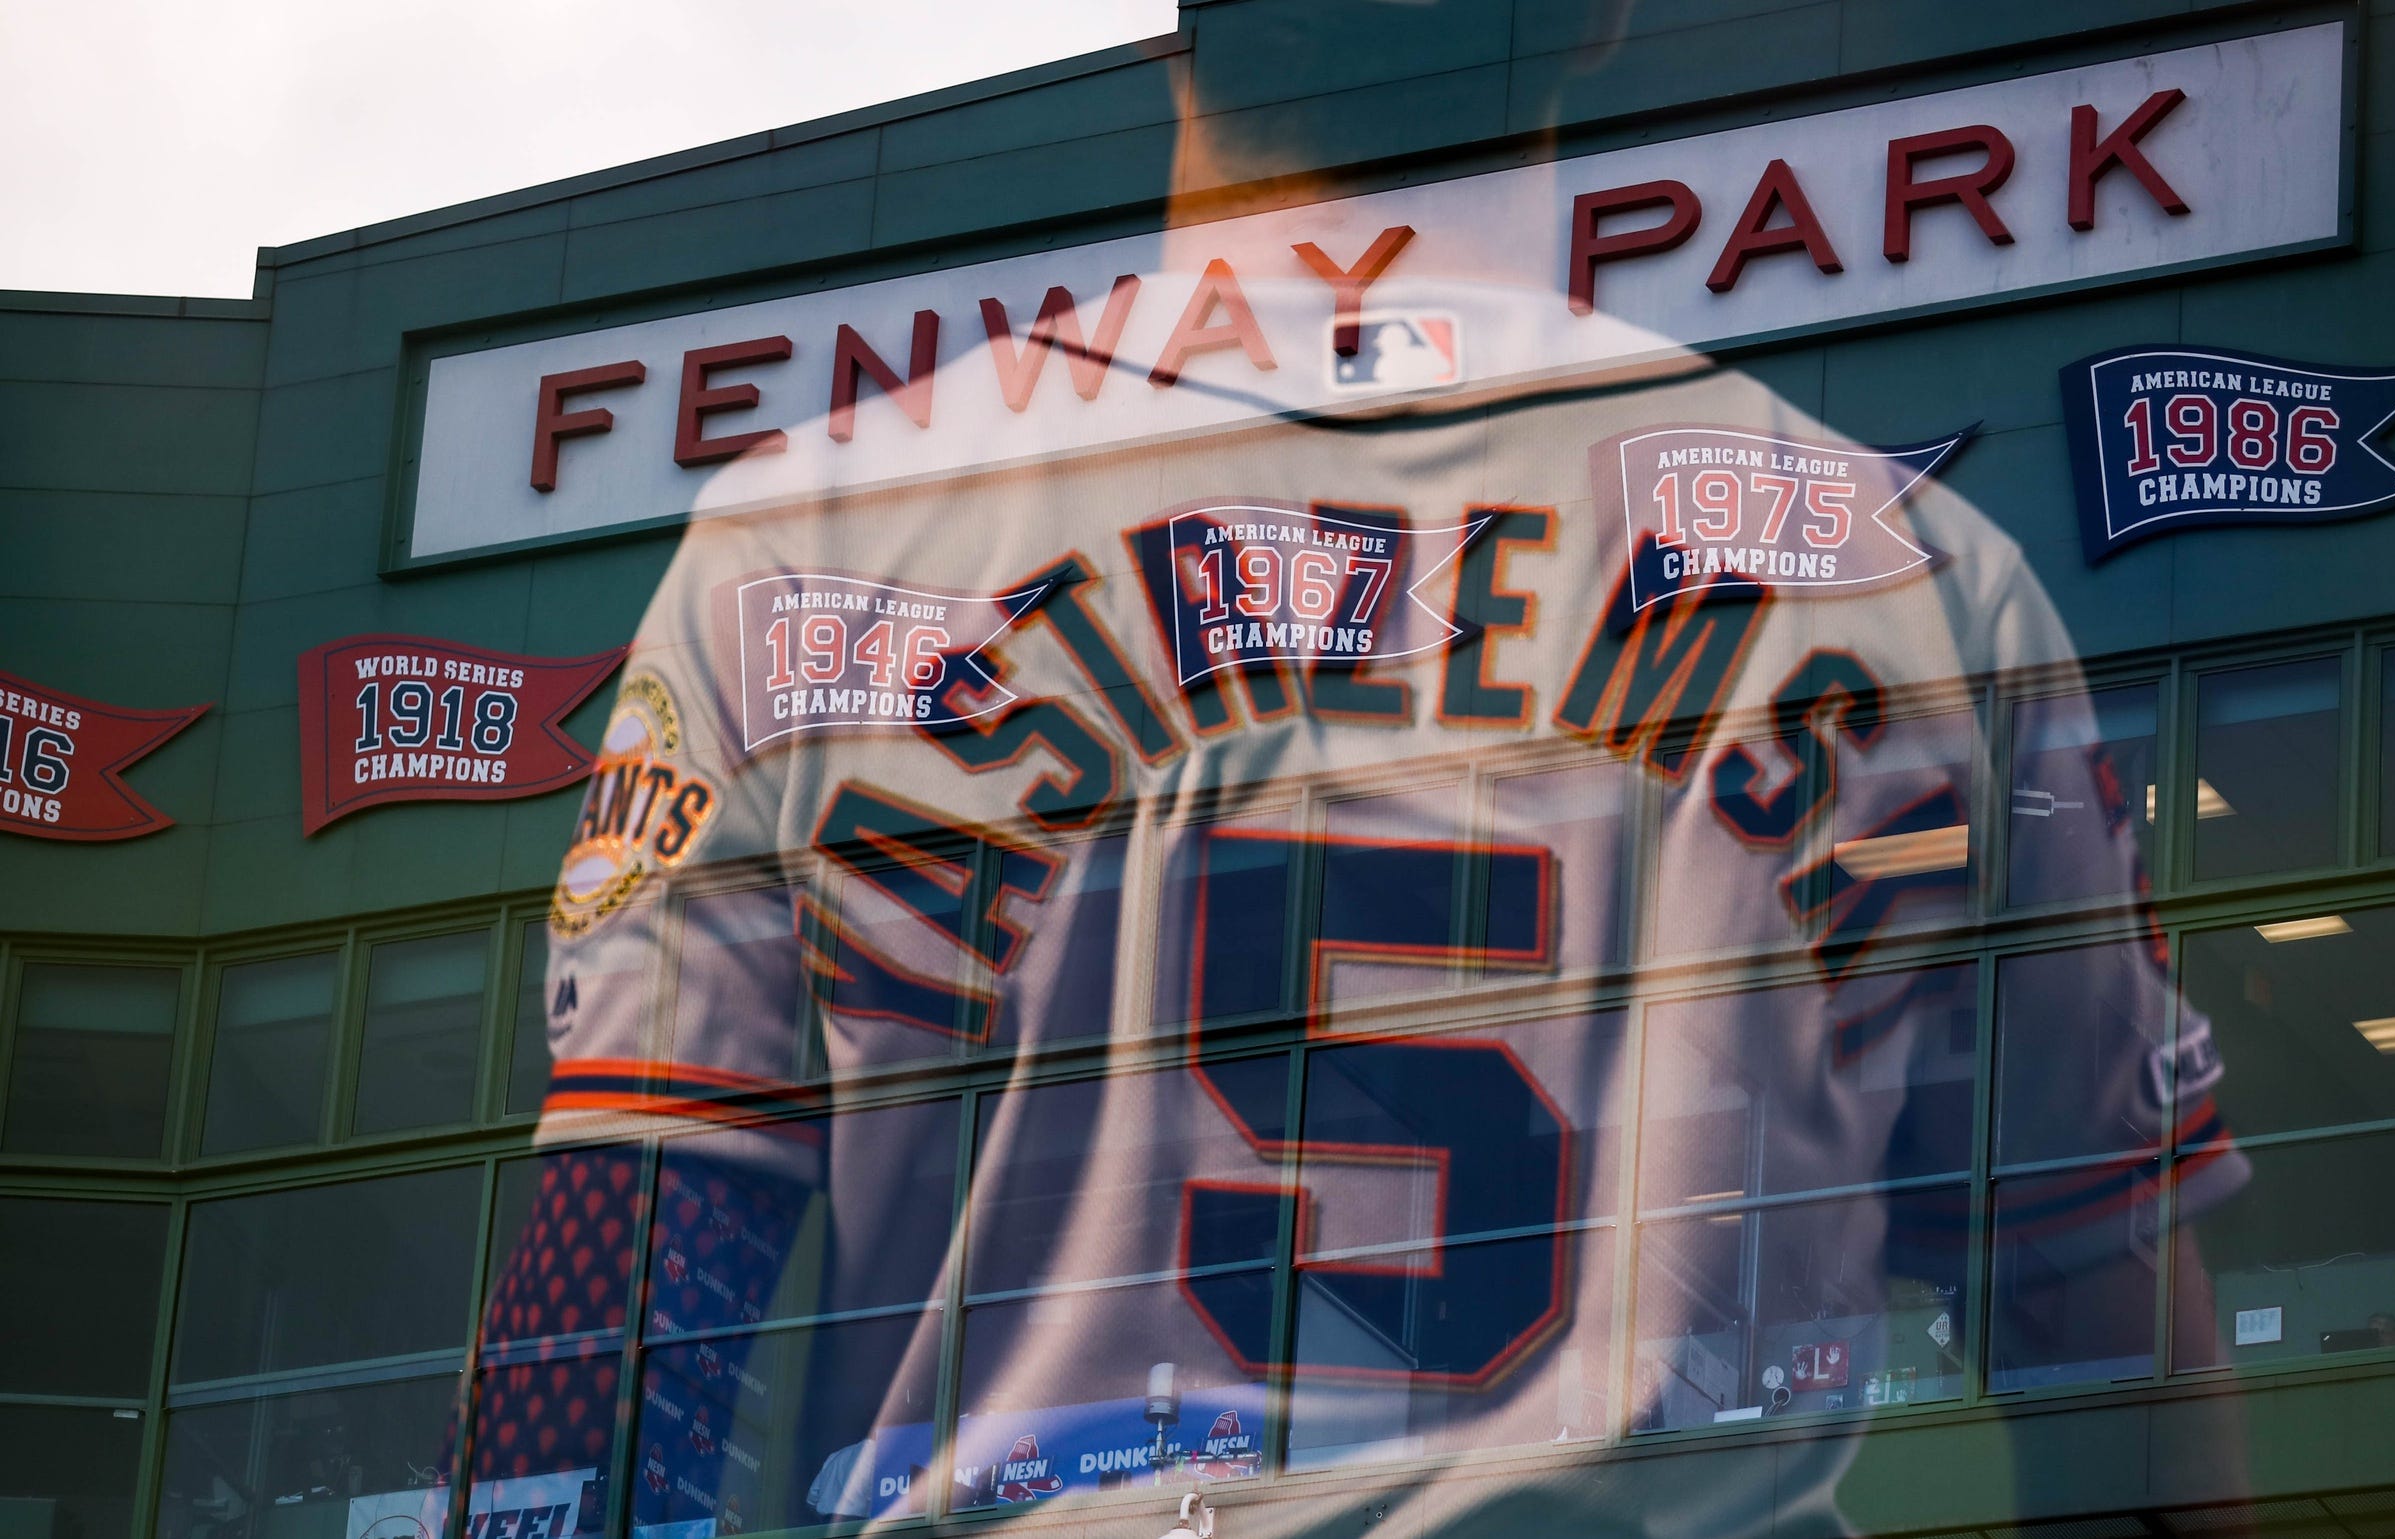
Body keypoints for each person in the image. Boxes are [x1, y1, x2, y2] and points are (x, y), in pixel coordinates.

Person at [461, 7, 2250, 1534]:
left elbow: (606, 1363)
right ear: (1596, 9)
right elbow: (2108, 1347)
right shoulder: (1910, 574)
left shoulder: (822, 537)